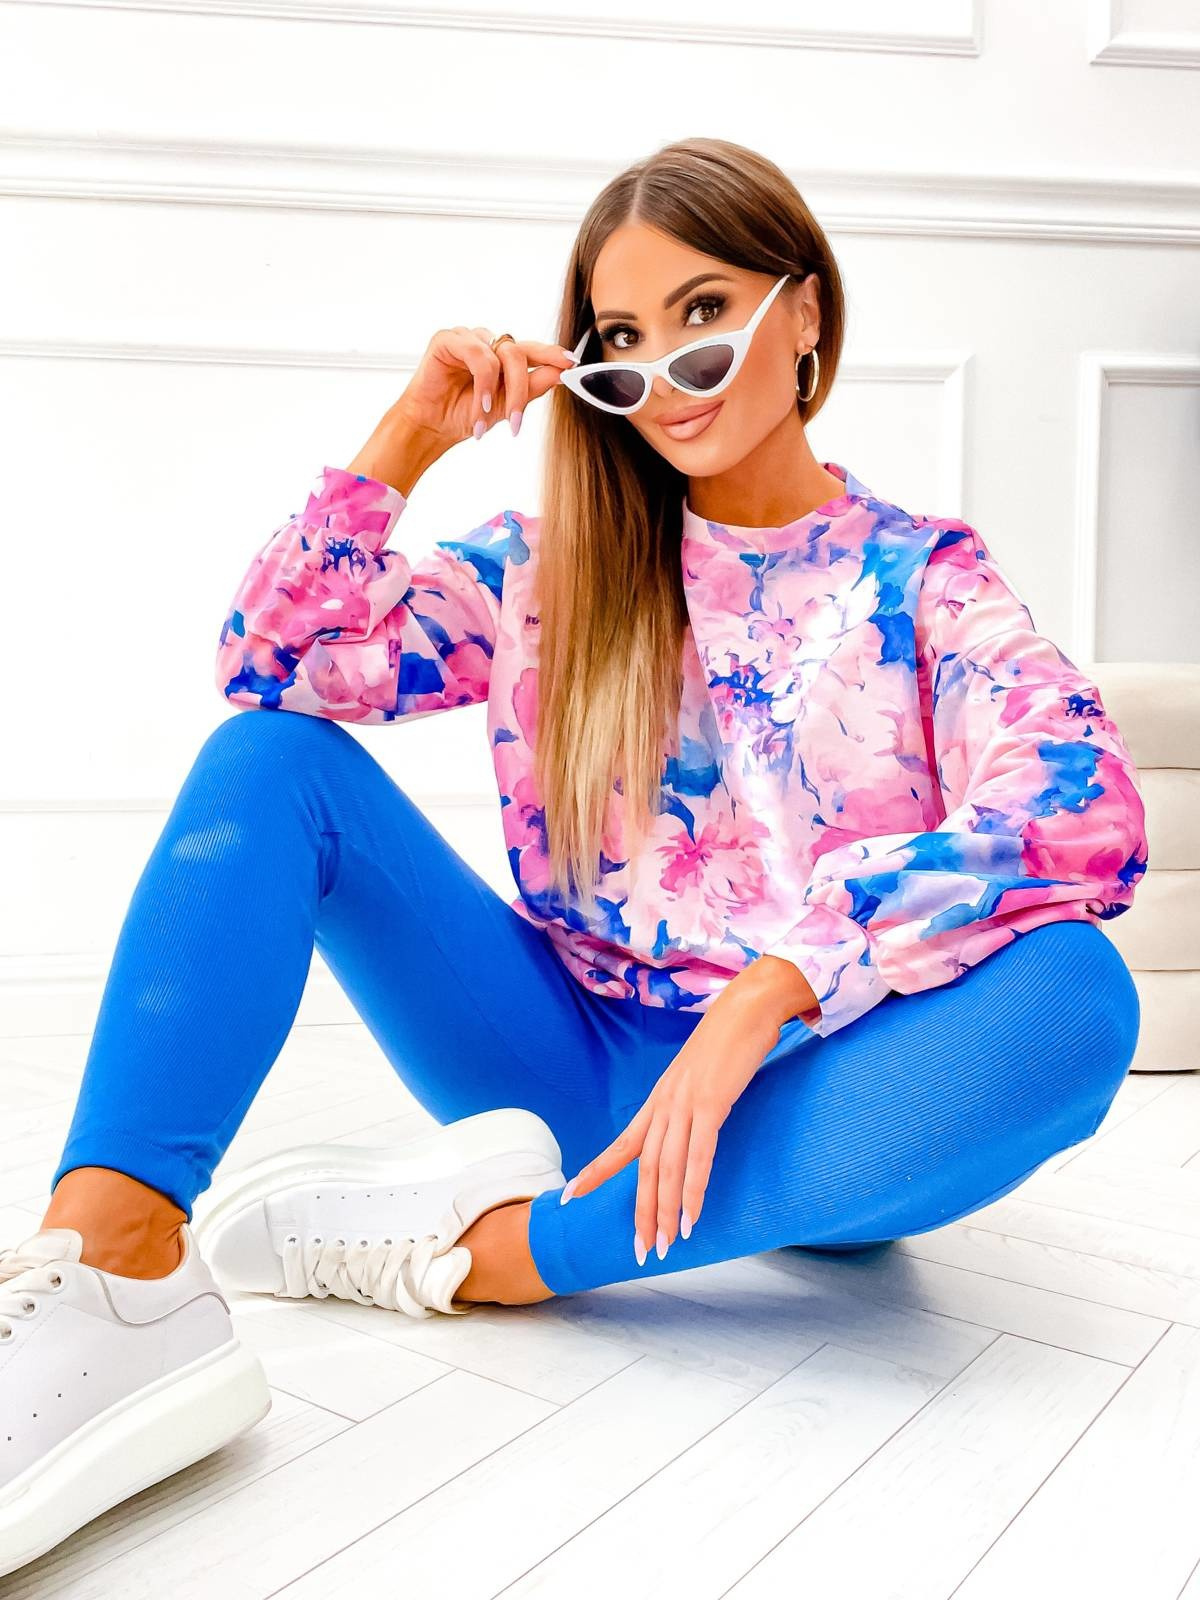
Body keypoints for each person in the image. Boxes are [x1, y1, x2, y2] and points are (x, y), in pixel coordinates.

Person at [0, 136, 1146, 1574]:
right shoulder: (551, 566)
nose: (665, 373)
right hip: (560, 1067)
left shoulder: (923, 579)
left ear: (804, 311)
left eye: (703, 314)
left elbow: (1083, 805)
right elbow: (271, 665)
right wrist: (408, 436)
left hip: (825, 1100)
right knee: (270, 765)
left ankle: (500, 1254)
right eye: (621, 340)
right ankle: (112, 1269)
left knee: (1078, 998)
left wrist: (776, 986)